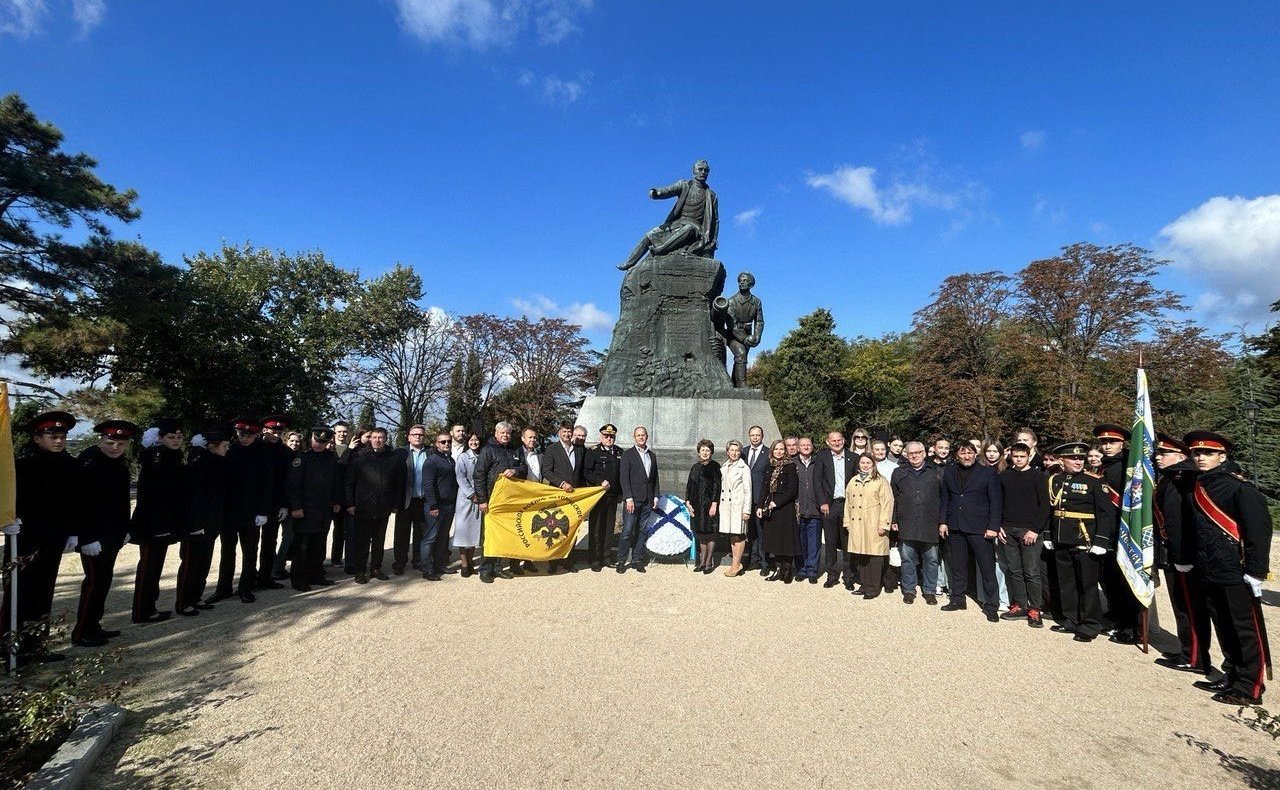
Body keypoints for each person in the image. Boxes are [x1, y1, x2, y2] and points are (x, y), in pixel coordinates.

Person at [1183, 431, 1272, 705]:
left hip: (1235, 569)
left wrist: (1256, 571)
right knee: (1223, 624)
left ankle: (1249, 686)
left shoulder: (1239, 488)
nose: (1200, 457)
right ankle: (1232, 673)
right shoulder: (1199, 484)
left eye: (1208, 453)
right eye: (1197, 453)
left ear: (1223, 456)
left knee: (1243, 628)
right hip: (1209, 567)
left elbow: (1258, 530)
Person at [2, 411, 78, 664]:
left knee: (43, 593)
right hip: (25, 539)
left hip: (53, 539)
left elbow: (72, 503)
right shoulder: (22, 465)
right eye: (52, 435)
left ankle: (36, 646)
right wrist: (7, 522)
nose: (58, 440)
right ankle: (9, 649)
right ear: (36, 438)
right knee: (19, 594)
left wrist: (72, 531)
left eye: (62, 436)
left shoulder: (68, 464)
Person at [71, 420, 137, 647]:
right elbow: (79, 504)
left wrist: (126, 529)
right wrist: (85, 537)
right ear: (100, 440)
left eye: (121, 443)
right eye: (111, 442)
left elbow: (120, 502)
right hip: (94, 537)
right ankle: (81, 633)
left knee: (104, 581)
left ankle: (93, 625)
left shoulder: (119, 464)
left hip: (112, 534)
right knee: (93, 583)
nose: (116, 447)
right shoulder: (88, 463)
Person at [1151, 432, 1213, 674]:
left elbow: (1177, 522)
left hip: (1181, 555)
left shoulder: (1181, 478)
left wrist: (1180, 556)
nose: (1158, 457)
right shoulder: (1170, 477)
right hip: (1174, 552)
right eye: (1158, 452)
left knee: (1188, 606)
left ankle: (1194, 656)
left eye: (1164, 453)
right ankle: (1188, 649)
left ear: (1180, 455)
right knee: (1181, 605)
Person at [1045, 441, 1116, 643]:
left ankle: (1090, 624)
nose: (1077, 461)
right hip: (1061, 538)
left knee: (1087, 585)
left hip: (1084, 539)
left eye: (1080, 458)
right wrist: (1049, 536)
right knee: (1066, 583)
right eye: (1072, 458)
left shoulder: (1094, 480)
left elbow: (1105, 513)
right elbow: (1053, 511)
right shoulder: (1055, 480)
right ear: (1062, 460)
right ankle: (1070, 619)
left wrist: (1101, 541)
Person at [210, 418, 275, 605]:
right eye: (241, 434)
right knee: (227, 551)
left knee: (250, 552)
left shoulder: (263, 454)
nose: (244, 438)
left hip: (252, 512)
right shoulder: (229, 451)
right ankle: (223, 588)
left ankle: (246, 587)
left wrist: (263, 511)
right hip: (230, 511)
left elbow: (267, 485)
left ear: (256, 435)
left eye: (248, 435)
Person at [939, 440, 1003, 622]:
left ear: (976, 454)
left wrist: (993, 527)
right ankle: (957, 599)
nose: (966, 456)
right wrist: (943, 521)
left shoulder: (988, 473)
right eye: (962, 453)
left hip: (980, 528)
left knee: (987, 567)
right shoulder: (949, 472)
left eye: (970, 453)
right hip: (955, 526)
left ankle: (991, 605)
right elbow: (945, 498)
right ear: (957, 455)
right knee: (958, 566)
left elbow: (996, 502)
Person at [618, 158, 719, 271]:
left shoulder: (711, 195)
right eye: (700, 169)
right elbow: (669, 190)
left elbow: (715, 220)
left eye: (706, 170)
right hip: (678, 223)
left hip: (696, 229)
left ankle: (660, 249)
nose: (703, 172)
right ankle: (630, 263)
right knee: (649, 235)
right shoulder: (685, 185)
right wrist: (657, 193)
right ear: (693, 171)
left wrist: (713, 240)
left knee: (689, 228)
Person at [130, 419, 185, 624]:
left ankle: (149, 608)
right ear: (160, 438)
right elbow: (153, 494)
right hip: (152, 521)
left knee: (154, 567)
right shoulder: (157, 456)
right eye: (171, 437)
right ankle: (141, 612)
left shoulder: (171, 456)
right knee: (148, 568)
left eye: (179, 437)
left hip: (164, 519)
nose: (176, 440)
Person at [1094, 423, 1141, 645]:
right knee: (1109, 578)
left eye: (1112, 442)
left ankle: (1130, 626)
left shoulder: (1128, 467)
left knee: (1125, 582)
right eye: (1104, 442)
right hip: (1107, 532)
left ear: (1122, 443)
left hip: (1123, 532)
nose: (1107, 446)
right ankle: (1116, 616)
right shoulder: (1104, 466)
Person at [175, 428, 229, 617]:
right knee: (190, 565)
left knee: (203, 564)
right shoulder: (197, 465)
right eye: (224, 446)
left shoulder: (218, 463)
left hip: (211, 524)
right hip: (195, 526)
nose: (226, 449)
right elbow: (191, 499)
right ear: (211, 447)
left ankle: (195, 597)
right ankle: (183, 602)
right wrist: (194, 525)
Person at [344, 427, 406, 584]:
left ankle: (376, 568)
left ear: (386, 439)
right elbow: (349, 482)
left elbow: (399, 484)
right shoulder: (359, 457)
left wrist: (395, 504)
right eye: (375, 437)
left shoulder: (393, 458)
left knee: (379, 541)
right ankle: (360, 571)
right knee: (362, 542)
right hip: (362, 506)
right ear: (370, 439)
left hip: (383, 506)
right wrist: (350, 503)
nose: (378, 440)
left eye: (381, 437)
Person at [998, 443, 1049, 627]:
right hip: (1008, 529)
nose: (1018, 459)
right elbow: (999, 502)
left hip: (1030, 531)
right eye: (1015, 456)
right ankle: (1019, 604)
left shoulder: (1038, 476)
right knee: (1015, 570)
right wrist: (999, 526)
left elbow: (1044, 505)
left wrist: (1035, 529)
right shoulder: (1005, 476)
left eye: (1022, 456)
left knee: (1032, 571)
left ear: (1029, 456)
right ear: (1010, 456)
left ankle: (1035, 608)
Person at [287, 428, 343, 591]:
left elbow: (335, 482)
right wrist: (296, 507)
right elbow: (292, 485)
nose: (319, 444)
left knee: (319, 545)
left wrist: (336, 501)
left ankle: (316, 575)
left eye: (323, 442)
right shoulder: (302, 458)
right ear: (312, 439)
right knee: (302, 546)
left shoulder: (331, 458)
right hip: (305, 510)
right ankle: (298, 580)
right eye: (317, 440)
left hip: (324, 510)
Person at [474, 421, 527, 583]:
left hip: (509, 501)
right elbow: (479, 475)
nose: (505, 435)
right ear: (496, 434)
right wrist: (482, 500)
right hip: (492, 500)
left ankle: (497, 568)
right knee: (489, 535)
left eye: (508, 433)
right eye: (502, 433)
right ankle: (485, 569)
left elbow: (524, 468)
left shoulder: (514, 450)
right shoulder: (488, 450)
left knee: (503, 535)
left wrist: (515, 470)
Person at [890, 441, 943, 605]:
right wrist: (894, 519)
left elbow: (944, 499)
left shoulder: (937, 472)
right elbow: (894, 498)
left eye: (917, 452)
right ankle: (909, 589)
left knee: (932, 559)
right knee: (907, 559)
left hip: (930, 522)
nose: (914, 455)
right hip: (907, 521)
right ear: (906, 454)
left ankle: (929, 590)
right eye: (910, 453)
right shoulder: (898, 472)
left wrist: (942, 522)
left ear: (924, 453)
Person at [845, 453, 894, 598]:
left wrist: (884, 525)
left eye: (868, 463)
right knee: (861, 555)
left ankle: (873, 587)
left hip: (874, 523)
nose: (865, 465)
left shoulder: (880, 481)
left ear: (873, 464)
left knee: (874, 556)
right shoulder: (853, 481)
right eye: (862, 463)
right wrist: (847, 522)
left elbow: (888, 503)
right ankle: (864, 584)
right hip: (857, 525)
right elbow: (847, 503)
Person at [543, 421, 587, 573]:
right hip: (558, 495)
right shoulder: (551, 449)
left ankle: (569, 560)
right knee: (556, 527)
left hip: (574, 497)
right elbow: (546, 472)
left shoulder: (579, 450)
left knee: (572, 527)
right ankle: (554, 561)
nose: (567, 434)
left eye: (570, 431)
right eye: (564, 431)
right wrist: (562, 483)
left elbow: (582, 473)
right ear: (559, 432)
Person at [815, 430, 857, 589]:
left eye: (839, 440)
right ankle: (832, 575)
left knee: (847, 542)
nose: (837, 443)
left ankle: (848, 576)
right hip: (829, 505)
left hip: (847, 505)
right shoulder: (822, 457)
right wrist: (822, 502)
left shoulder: (853, 457)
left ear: (844, 440)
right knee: (831, 541)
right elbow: (817, 481)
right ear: (827, 442)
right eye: (833, 441)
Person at [255, 415, 292, 592]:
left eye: (279, 431)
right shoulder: (254, 448)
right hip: (253, 505)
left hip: (275, 504)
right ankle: (248, 578)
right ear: (264, 430)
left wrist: (284, 504)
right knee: (250, 545)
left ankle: (265, 576)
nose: (277, 434)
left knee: (270, 542)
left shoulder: (284, 452)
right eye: (273, 431)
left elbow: (287, 481)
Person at [618, 426, 659, 573]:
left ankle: (636, 560)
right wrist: (628, 498)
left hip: (647, 500)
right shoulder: (627, 455)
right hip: (632, 501)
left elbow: (654, 479)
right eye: (638, 435)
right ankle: (621, 561)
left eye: (643, 435)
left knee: (642, 531)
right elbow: (624, 478)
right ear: (634, 437)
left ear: (647, 437)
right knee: (627, 531)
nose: (641, 437)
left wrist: (655, 496)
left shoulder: (652, 455)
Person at [757, 440, 799, 583]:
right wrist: (759, 506)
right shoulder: (768, 467)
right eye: (776, 449)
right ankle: (778, 569)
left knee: (786, 541)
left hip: (785, 507)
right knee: (774, 541)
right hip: (771, 508)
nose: (779, 452)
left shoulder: (790, 466)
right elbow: (764, 488)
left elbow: (792, 490)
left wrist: (778, 502)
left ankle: (787, 570)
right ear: (772, 451)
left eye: (782, 449)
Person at [392, 425, 431, 575]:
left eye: (420, 434)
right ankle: (400, 562)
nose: (417, 437)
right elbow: (394, 478)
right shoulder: (400, 453)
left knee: (420, 533)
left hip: (423, 500)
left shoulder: (430, 452)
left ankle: (418, 561)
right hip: (405, 500)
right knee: (401, 534)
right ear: (408, 436)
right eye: (414, 434)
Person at [584, 424, 623, 572]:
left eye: (611, 436)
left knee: (608, 527)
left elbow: (620, 475)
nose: (609, 438)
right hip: (598, 495)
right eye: (606, 436)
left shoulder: (619, 452)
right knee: (596, 527)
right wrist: (599, 482)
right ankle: (594, 558)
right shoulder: (593, 452)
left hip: (612, 496)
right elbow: (587, 472)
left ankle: (606, 557)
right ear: (601, 437)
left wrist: (620, 493)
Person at [420, 433, 458, 581]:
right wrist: (433, 505)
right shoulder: (431, 461)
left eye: (449, 441)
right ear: (436, 444)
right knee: (430, 538)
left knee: (443, 537)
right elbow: (428, 484)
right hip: (436, 506)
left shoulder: (450, 460)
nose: (446, 444)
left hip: (449, 504)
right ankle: (427, 569)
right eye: (443, 442)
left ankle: (439, 565)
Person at [718, 439, 752, 577]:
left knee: (739, 535)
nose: (734, 452)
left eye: (737, 450)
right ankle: (735, 564)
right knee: (732, 536)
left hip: (738, 507)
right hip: (727, 507)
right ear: (727, 452)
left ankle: (736, 564)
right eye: (732, 450)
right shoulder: (723, 467)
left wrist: (747, 510)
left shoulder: (744, 468)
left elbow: (748, 490)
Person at [687, 439, 721, 574]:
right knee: (700, 533)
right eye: (703, 450)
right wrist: (688, 501)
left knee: (710, 534)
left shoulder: (715, 466)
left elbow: (717, 487)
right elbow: (689, 485)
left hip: (709, 505)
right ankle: (702, 562)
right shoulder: (695, 467)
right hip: (696, 504)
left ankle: (708, 562)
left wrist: (714, 504)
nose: (705, 453)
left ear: (711, 452)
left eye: (708, 450)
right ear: (699, 452)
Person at [452, 433, 483, 576]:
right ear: (467, 442)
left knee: (473, 533)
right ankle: (464, 564)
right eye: (471, 440)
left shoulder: (482, 456)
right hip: (466, 498)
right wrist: (471, 494)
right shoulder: (463, 457)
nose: (474, 442)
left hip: (479, 498)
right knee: (463, 531)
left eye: (476, 440)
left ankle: (471, 562)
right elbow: (460, 477)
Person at [793, 437, 822, 582]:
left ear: (812, 447)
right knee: (800, 542)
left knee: (814, 543)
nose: (806, 447)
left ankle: (812, 571)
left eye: (808, 445)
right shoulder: (792, 463)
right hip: (798, 510)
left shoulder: (818, 463)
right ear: (798, 447)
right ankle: (801, 569)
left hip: (815, 510)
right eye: (803, 445)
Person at [742, 425, 769, 573]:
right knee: (750, 532)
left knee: (762, 531)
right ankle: (753, 559)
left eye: (758, 435)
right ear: (749, 436)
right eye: (752, 435)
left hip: (761, 499)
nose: (755, 437)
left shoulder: (768, 453)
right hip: (746, 499)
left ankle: (764, 562)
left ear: (762, 436)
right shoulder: (743, 452)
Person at [329, 421, 351, 568]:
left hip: (343, 495)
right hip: (327, 495)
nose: (342, 434)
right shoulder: (329, 448)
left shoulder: (351, 448)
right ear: (334, 432)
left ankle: (336, 558)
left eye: (344, 431)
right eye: (339, 431)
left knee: (340, 529)